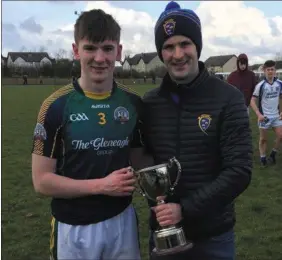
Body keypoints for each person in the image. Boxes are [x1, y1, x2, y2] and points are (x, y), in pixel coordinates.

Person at [140, 1, 253, 259]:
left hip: (213, 237)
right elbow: (142, 163)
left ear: (197, 47)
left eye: (184, 44)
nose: (177, 55)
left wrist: (184, 209)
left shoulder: (228, 98)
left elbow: (239, 171)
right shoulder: (149, 103)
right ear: (161, 53)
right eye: (168, 47)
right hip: (162, 235)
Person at [31, 9, 142, 260]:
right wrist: (102, 186)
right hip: (73, 227)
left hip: (122, 222)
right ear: (76, 50)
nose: (99, 58)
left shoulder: (134, 104)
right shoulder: (55, 106)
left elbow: (142, 162)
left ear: (119, 51)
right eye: (90, 48)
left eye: (107, 48)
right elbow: (41, 181)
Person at [250, 60, 282, 166]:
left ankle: (273, 154)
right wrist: (258, 114)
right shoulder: (261, 85)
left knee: (281, 136)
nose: (270, 71)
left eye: (272, 69)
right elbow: (252, 100)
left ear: (275, 71)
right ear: (264, 71)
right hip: (265, 117)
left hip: (276, 116)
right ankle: (263, 158)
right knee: (263, 139)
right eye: (268, 69)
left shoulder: (279, 83)